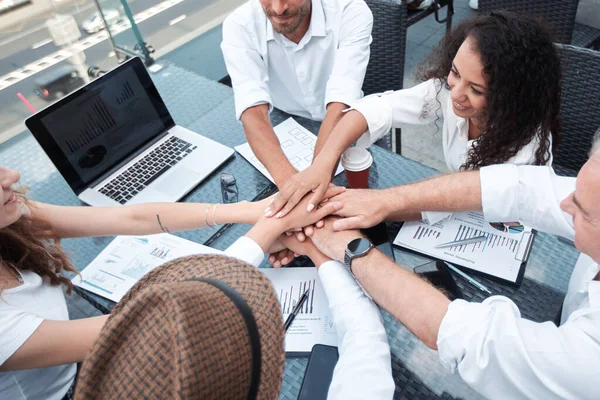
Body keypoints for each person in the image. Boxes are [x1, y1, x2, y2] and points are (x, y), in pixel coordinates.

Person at [1, 165, 393, 400]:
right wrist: (267, 231)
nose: (12, 176)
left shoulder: (11, 213)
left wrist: (248, 213)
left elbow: (131, 220)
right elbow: (153, 321)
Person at [303, 131, 600, 398]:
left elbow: (465, 335)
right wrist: (384, 201)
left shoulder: (590, 359)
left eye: (582, 211)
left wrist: (351, 249)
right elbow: (516, 189)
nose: (564, 203)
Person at [266, 11, 563, 218]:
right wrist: (324, 162)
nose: (456, 93)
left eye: (476, 89)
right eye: (455, 73)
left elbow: (471, 200)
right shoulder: (446, 93)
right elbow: (375, 110)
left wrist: (381, 207)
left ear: (509, 96)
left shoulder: (526, 149)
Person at [221, 0, 373, 189]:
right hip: (283, 120)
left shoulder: (350, 10)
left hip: (350, 122)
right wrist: (291, 185)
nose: (278, 9)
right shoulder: (239, 25)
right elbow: (252, 109)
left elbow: (340, 103)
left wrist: (312, 184)